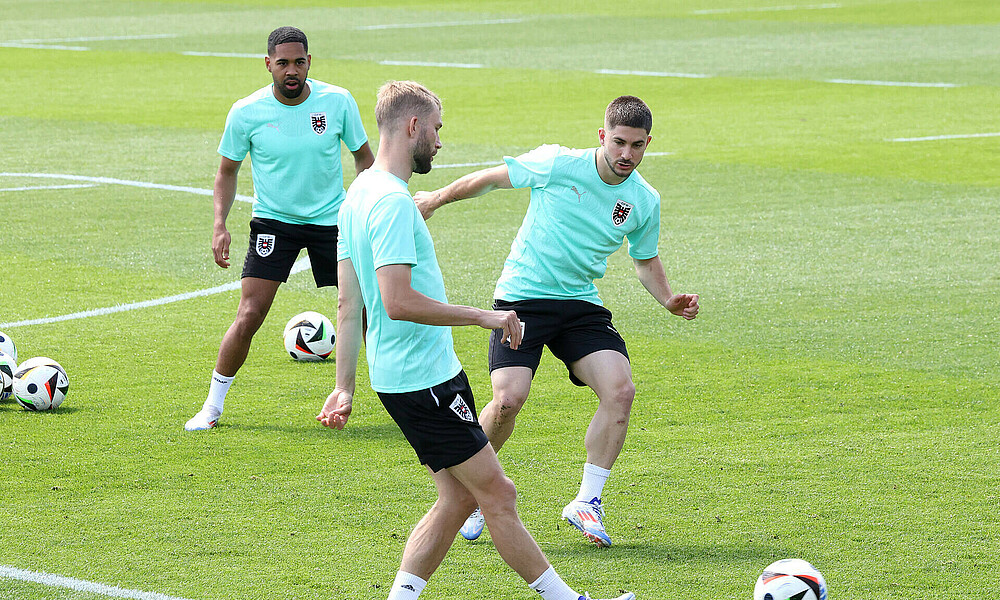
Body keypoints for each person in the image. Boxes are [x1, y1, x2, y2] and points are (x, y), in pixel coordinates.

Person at [316, 80, 634, 600]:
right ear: (413, 126)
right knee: (497, 493)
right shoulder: (393, 204)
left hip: (403, 375)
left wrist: (345, 386)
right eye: (437, 129)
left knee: (458, 499)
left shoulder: (357, 195)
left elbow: (349, 304)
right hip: (424, 380)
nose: (440, 142)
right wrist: (484, 317)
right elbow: (396, 302)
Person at [413, 95, 699, 547]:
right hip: (523, 296)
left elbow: (645, 260)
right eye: (620, 143)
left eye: (638, 146)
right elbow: (490, 179)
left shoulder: (644, 200)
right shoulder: (559, 164)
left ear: (648, 144)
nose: (627, 155)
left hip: (579, 304)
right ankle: (471, 496)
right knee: (508, 399)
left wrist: (668, 300)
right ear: (602, 136)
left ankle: (587, 501)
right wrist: (436, 198)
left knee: (620, 391)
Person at [185, 26, 375, 431]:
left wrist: (364, 209)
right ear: (268, 64)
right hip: (275, 223)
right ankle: (212, 407)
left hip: (332, 221)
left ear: (310, 62)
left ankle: (396, 400)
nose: (292, 70)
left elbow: (365, 160)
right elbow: (226, 172)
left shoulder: (337, 102)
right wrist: (220, 224)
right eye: (284, 63)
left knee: (362, 312)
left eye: (300, 62)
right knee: (250, 313)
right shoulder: (246, 111)